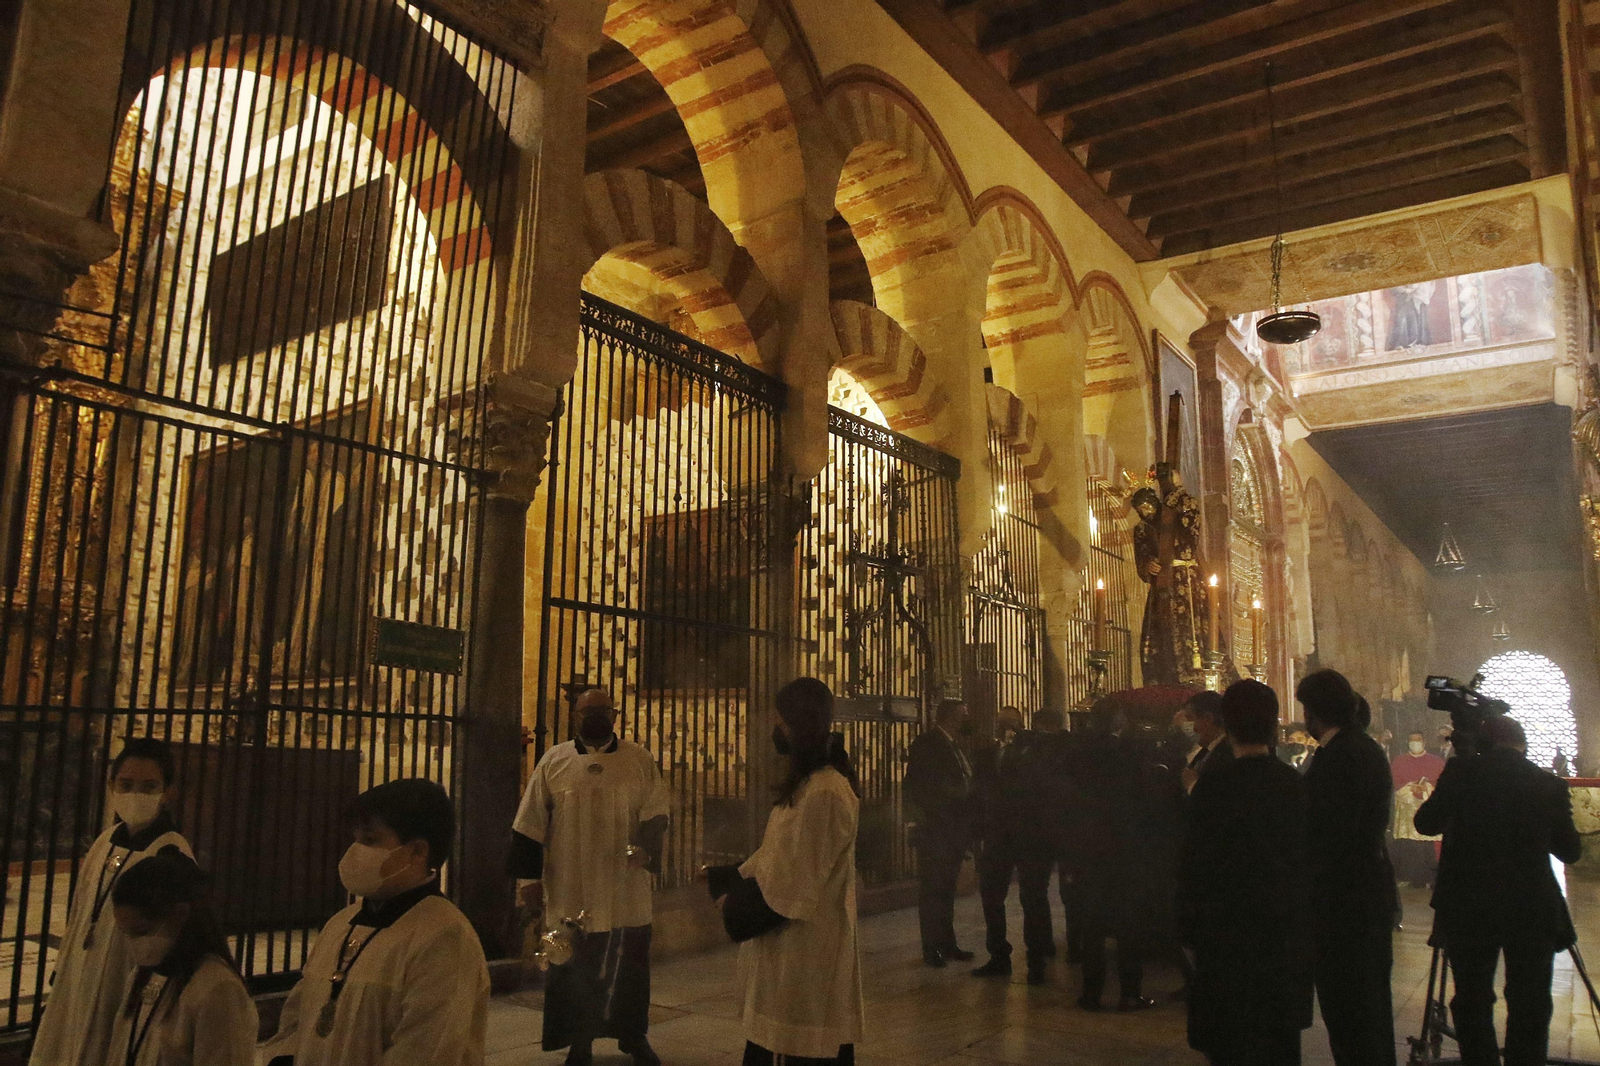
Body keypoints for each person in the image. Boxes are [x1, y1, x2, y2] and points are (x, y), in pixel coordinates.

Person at [262, 779, 488, 1066]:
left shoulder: (445, 937)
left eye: (370, 841)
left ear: (418, 851)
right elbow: (297, 1019)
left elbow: (427, 1048)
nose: (355, 851)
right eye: (355, 839)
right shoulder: (341, 923)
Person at [508, 688, 670, 1065]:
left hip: (624, 888)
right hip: (571, 887)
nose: (595, 716)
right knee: (574, 968)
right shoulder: (554, 761)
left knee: (628, 967)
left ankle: (633, 1036)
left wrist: (646, 850)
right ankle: (579, 1043)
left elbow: (656, 811)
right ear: (575, 717)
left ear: (615, 715)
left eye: (603, 709)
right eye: (587, 711)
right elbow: (529, 823)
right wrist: (528, 883)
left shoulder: (639, 759)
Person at [710, 678, 864, 1066]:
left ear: (796, 724)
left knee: (796, 1048)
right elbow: (777, 853)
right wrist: (728, 877)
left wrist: (736, 904)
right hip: (788, 949)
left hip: (803, 953)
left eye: (778, 718)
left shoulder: (825, 791)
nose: (772, 726)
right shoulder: (809, 784)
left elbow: (795, 883)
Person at [1415, 715, 1583, 1066]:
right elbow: (1570, 851)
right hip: (1531, 906)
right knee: (1530, 1000)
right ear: (1523, 745)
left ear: (1482, 743)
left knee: (1472, 999)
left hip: (1468, 905)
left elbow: (1426, 823)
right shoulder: (1547, 784)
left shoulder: (1461, 773)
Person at [30, 737, 192, 1066]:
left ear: (167, 792)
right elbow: (79, 911)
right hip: (80, 977)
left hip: (125, 985)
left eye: (148, 787)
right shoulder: (105, 840)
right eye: (126, 785)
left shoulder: (170, 854)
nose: (135, 795)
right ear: (111, 785)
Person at [1179, 679, 1312, 1065]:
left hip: (1227, 936)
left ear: (1228, 725)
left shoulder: (1212, 787)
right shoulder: (1294, 784)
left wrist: (1187, 929)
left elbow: (1194, 864)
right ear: (1273, 725)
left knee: (1230, 1042)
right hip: (1282, 936)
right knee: (1279, 1043)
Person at [1297, 670, 1398, 1066]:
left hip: (1345, 900)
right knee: (1368, 1010)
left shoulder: (1341, 755)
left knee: (1351, 1010)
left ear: (1314, 711)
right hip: (1364, 892)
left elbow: (1331, 830)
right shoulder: (1363, 747)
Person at [107, 849, 256, 1065]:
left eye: (141, 932)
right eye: (126, 933)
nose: (133, 943)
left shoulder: (218, 989)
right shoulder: (145, 975)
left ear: (179, 914)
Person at [1066, 702, 1158, 1011]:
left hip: (1089, 850)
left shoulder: (1079, 754)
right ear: (1120, 721)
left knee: (1091, 926)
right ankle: (1129, 993)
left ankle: (1091, 993)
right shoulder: (1132, 753)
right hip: (1125, 850)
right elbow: (1146, 800)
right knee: (1129, 926)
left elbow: (1069, 801)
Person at [972, 707, 1059, 983]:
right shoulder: (987, 754)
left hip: (1030, 835)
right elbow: (980, 792)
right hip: (997, 835)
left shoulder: (1035, 752)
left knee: (1032, 897)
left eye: (1011, 723)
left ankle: (1037, 959)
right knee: (991, 894)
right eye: (1002, 723)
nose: (1006, 728)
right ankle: (998, 954)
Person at [904, 698, 976, 967]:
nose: (967, 720)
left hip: (953, 830)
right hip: (936, 831)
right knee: (933, 891)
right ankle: (931, 947)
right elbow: (919, 787)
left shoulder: (955, 745)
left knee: (946, 890)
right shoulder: (928, 744)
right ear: (950, 717)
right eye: (963, 715)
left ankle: (948, 943)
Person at [1391, 731, 1446, 887]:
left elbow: (1442, 783)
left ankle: (1430, 878)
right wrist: (1410, 788)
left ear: (1424, 742)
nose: (1414, 743)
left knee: (1428, 844)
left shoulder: (1436, 762)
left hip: (1427, 807)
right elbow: (1394, 782)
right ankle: (1409, 876)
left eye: (1418, 740)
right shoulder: (1399, 761)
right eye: (1411, 740)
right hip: (1407, 808)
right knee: (1409, 844)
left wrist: (1425, 788)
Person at [1181, 691, 1231, 794]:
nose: (1186, 725)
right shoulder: (1207, 750)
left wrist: (1193, 786)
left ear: (1208, 718)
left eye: (1190, 718)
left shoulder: (1226, 753)